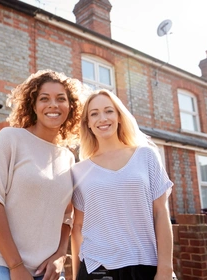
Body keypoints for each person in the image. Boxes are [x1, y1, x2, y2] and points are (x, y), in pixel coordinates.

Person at [0, 69, 84, 280]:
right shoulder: (10, 138)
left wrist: (61, 255)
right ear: (33, 105)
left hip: (46, 270)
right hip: (0, 263)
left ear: (70, 107)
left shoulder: (68, 157)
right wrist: (16, 265)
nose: (53, 104)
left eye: (61, 99)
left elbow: (67, 217)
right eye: (44, 98)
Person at [71, 89, 174, 280]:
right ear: (88, 124)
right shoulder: (79, 171)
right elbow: (77, 226)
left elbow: (161, 212)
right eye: (94, 114)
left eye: (109, 111)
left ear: (119, 117)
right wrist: (75, 276)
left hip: (145, 265)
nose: (102, 118)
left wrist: (166, 269)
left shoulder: (146, 156)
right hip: (97, 268)